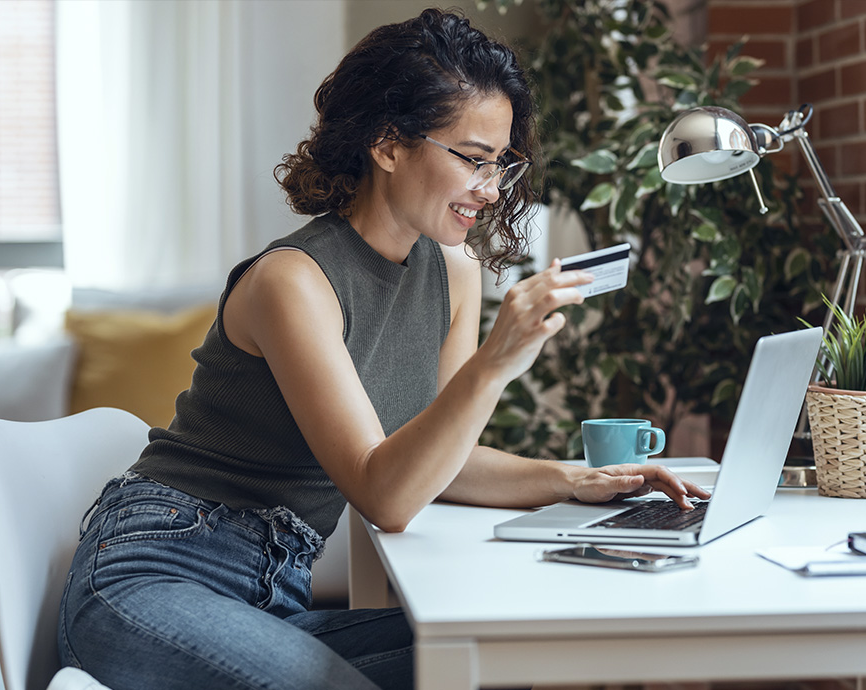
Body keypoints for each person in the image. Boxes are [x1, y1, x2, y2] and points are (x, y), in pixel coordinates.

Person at [57, 8, 709, 690]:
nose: (490, 191)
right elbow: (386, 496)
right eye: (473, 159)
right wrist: (494, 364)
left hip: (271, 598)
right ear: (389, 144)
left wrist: (577, 480)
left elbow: (436, 463)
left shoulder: (451, 272)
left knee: (512, 650)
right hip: (150, 577)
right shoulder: (292, 281)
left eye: (501, 164)